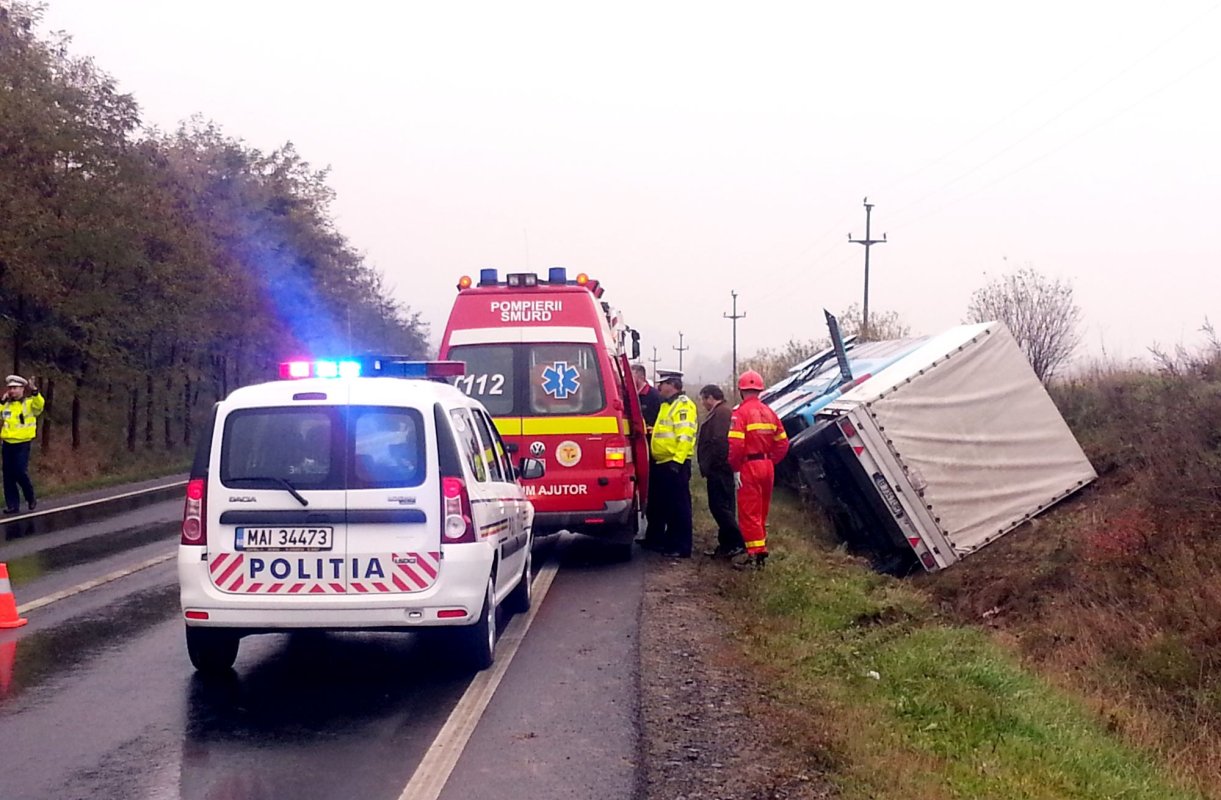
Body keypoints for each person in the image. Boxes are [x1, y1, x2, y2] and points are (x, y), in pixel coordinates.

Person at [727, 370, 789, 568]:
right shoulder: (770, 413)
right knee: (761, 511)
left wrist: (735, 467)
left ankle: (754, 555)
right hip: (767, 465)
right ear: (760, 390)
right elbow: (783, 443)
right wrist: (771, 461)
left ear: (741, 391)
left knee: (748, 512)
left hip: (748, 466)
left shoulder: (740, 413)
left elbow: (736, 446)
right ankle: (760, 550)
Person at [647, 370, 698, 558]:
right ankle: (671, 542)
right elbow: (665, 430)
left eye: (663, 383)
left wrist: (677, 461)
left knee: (680, 507)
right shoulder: (667, 405)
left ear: (673, 385)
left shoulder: (683, 406)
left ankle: (682, 546)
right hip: (663, 462)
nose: (659, 387)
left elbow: (685, 436)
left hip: (675, 463)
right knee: (668, 506)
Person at [697, 384, 744, 558]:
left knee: (719, 506)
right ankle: (727, 545)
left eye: (703, 399)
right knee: (724, 506)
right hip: (720, 467)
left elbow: (720, 441)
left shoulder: (722, 413)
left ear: (710, 397)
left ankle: (737, 542)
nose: (703, 404)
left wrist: (712, 463)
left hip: (720, 468)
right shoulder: (721, 412)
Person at [1, 375, 45, 514]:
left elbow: (40, 405)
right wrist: (1, 402)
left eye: (15, 388)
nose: (12, 391)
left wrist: (35, 391)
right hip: (7, 443)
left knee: (20, 471)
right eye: (10, 388)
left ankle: (30, 496)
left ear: (22, 389)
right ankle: (13, 505)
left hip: (22, 444)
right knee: (8, 475)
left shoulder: (29, 403)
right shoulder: (7, 405)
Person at [632, 363, 664, 550]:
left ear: (641, 376)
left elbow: (659, 426)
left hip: (653, 452)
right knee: (646, 495)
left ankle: (656, 535)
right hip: (640, 451)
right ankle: (652, 534)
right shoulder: (632, 396)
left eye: (633, 374)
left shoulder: (653, 397)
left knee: (655, 496)